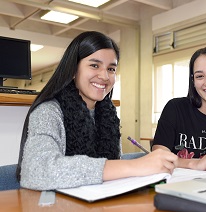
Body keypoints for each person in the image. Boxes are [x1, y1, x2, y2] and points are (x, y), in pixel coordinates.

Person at [16, 31, 177, 191]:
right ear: (73, 70)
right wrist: (132, 166)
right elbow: (34, 171)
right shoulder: (49, 111)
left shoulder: (108, 114)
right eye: (94, 65)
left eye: (111, 69)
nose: (105, 76)